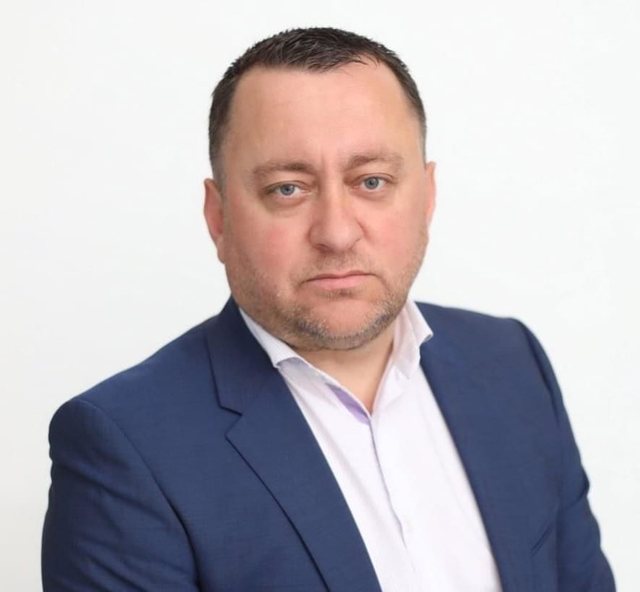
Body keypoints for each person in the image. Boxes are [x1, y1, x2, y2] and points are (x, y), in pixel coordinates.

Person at [42, 27, 615, 592]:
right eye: (287, 189)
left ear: (427, 197)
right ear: (218, 217)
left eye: (372, 181)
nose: (337, 233)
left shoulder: (513, 365)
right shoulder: (125, 447)